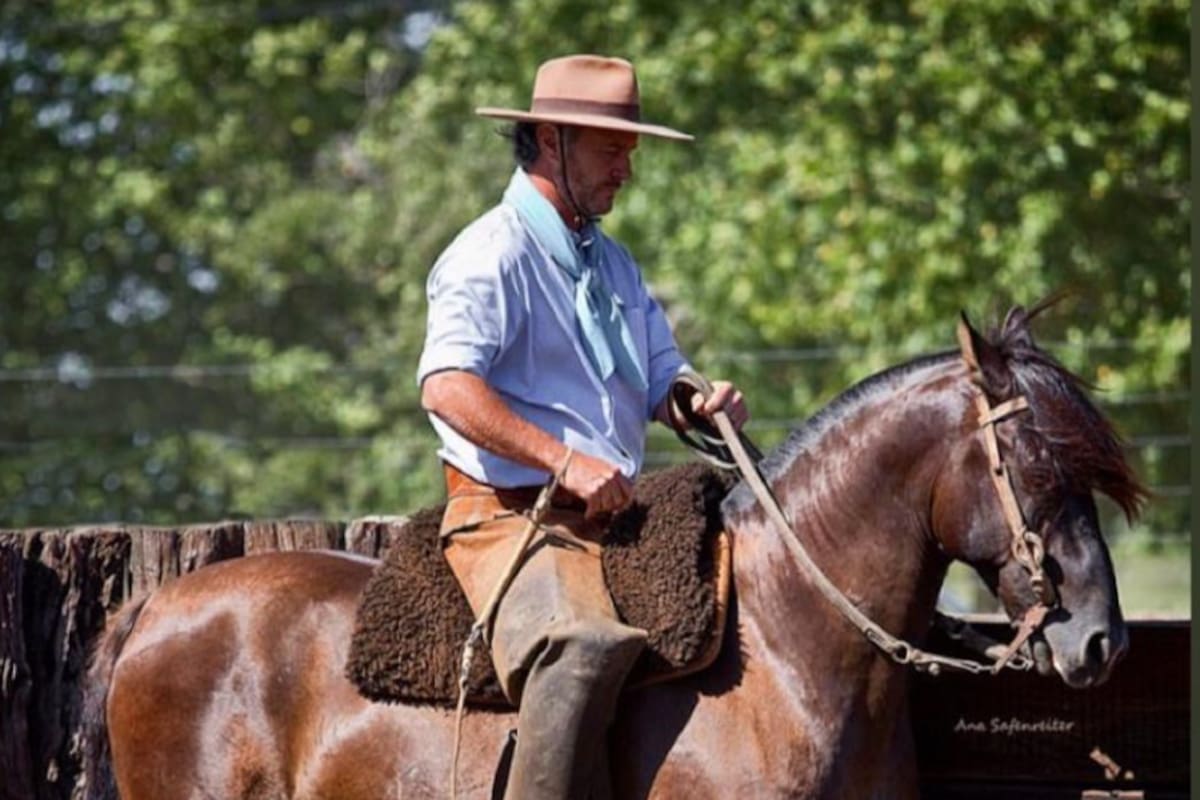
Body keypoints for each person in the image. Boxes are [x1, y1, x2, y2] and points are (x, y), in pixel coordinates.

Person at [417, 54, 748, 799]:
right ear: (549, 139)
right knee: (580, 647)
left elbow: (665, 378)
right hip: (512, 520)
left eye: (630, 150)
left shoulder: (615, 265)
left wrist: (701, 400)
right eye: (612, 149)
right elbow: (445, 386)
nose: (627, 169)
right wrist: (563, 462)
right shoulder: (489, 252)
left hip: (614, 513)